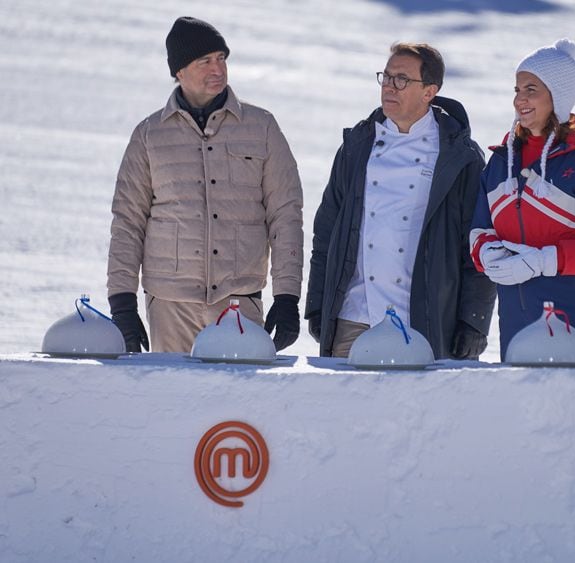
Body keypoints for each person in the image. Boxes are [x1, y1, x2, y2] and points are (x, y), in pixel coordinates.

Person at [107, 17, 303, 353]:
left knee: (238, 405)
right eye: (205, 61)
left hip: (239, 305)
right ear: (179, 71)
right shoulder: (149, 135)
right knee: (172, 403)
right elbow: (128, 221)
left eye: (222, 59)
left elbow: (285, 215)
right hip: (170, 306)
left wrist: (287, 297)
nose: (218, 70)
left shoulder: (262, 127)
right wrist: (122, 302)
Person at [305, 43, 496, 359]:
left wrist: (474, 322)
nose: (389, 87)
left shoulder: (460, 157)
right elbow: (326, 232)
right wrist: (317, 304)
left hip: (424, 322)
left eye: (402, 80)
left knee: (422, 410)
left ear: (429, 91)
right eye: (386, 77)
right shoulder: (357, 146)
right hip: (355, 318)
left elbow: (477, 245)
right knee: (344, 408)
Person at [470, 39, 575, 365]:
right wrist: (489, 255)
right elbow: (479, 229)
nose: (519, 99)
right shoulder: (501, 160)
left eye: (531, 89)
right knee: (522, 411)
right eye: (517, 89)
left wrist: (539, 262)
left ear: (558, 96)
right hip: (515, 317)